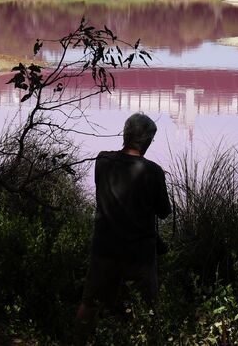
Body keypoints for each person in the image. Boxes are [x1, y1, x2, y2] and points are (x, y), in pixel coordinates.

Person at [74, 112, 172, 344]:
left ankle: (77, 341)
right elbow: (164, 212)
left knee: (89, 303)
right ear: (147, 141)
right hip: (140, 254)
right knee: (149, 309)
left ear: (125, 135)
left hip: (104, 248)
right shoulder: (153, 171)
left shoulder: (103, 161)